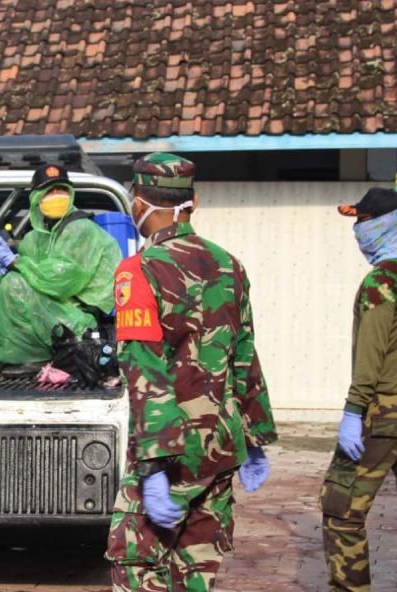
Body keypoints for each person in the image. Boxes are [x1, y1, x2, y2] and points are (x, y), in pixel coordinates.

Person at [104, 153, 278, 591]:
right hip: (220, 445)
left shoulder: (140, 270)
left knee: (136, 564)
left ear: (137, 202)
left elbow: (144, 369)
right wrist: (255, 437)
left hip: (172, 448)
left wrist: (155, 465)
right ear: (193, 202)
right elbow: (244, 355)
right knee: (196, 571)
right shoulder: (228, 265)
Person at [320, 187, 397, 591]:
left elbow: (370, 359)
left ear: (386, 223)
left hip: (382, 413)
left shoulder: (381, 281)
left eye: (364, 221)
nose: (358, 230)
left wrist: (353, 412)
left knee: (341, 510)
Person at [0, 163, 123, 378]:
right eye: (49, 191)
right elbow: (28, 269)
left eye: (62, 190)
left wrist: (14, 263)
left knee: (14, 284)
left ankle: (34, 359)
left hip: (79, 320)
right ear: (36, 197)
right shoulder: (36, 238)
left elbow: (61, 280)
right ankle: (12, 356)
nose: (56, 196)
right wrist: (3, 268)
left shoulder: (81, 229)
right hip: (50, 314)